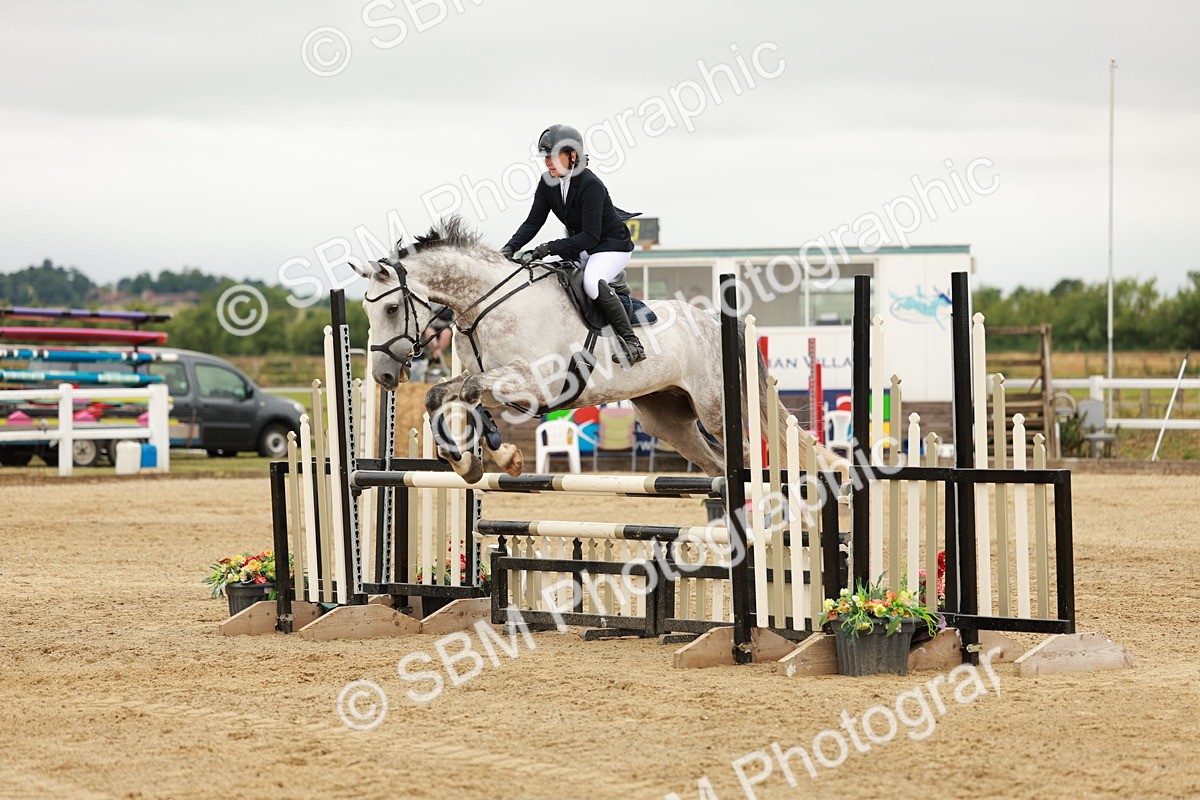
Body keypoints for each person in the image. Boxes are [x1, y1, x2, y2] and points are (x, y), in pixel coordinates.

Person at [500, 124, 645, 365]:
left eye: (553, 156)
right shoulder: (548, 182)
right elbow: (533, 221)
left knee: (591, 282)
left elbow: (591, 237)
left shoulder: (591, 185)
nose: (547, 162)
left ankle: (632, 342)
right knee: (539, 271)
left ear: (573, 155)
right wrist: (510, 248)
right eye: (546, 157)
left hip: (610, 246)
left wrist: (550, 247)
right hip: (582, 246)